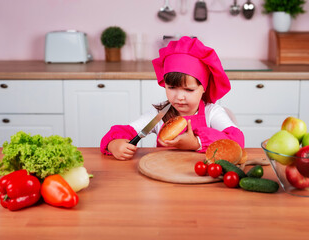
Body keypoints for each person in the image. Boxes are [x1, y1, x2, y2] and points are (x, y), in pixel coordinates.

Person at [100, 36, 244, 160]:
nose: (179, 97)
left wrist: (196, 142)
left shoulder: (211, 112)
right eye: (172, 88)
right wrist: (114, 144)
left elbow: (237, 140)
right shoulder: (159, 114)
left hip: (202, 179)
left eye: (189, 90)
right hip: (163, 177)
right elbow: (127, 130)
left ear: (203, 88)